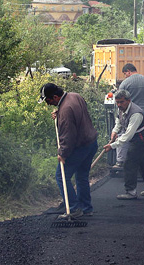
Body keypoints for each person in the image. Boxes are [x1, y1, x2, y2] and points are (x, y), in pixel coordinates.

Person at [39, 82, 98, 218]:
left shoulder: (65, 110)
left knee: (61, 176)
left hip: (79, 147)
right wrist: (59, 112)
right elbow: (77, 114)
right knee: (82, 176)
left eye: (47, 100)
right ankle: (86, 208)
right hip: (91, 143)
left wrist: (63, 154)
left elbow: (67, 135)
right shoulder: (75, 96)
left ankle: (73, 208)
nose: (47, 104)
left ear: (55, 97)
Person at [103, 89, 144, 200]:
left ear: (128, 101)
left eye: (121, 102)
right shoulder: (121, 109)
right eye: (117, 102)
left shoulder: (136, 114)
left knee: (130, 163)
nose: (119, 105)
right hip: (137, 138)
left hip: (143, 139)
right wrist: (115, 131)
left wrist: (112, 145)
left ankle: (131, 192)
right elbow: (119, 121)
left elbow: (127, 135)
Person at [114, 63, 144, 168]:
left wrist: (118, 115)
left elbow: (119, 101)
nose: (125, 76)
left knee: (124, 134)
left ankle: (120, 161)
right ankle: (142, 159)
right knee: (142, 136)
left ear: (129, 71)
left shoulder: (125, 83)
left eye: (125, 74)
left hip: (129, 114)